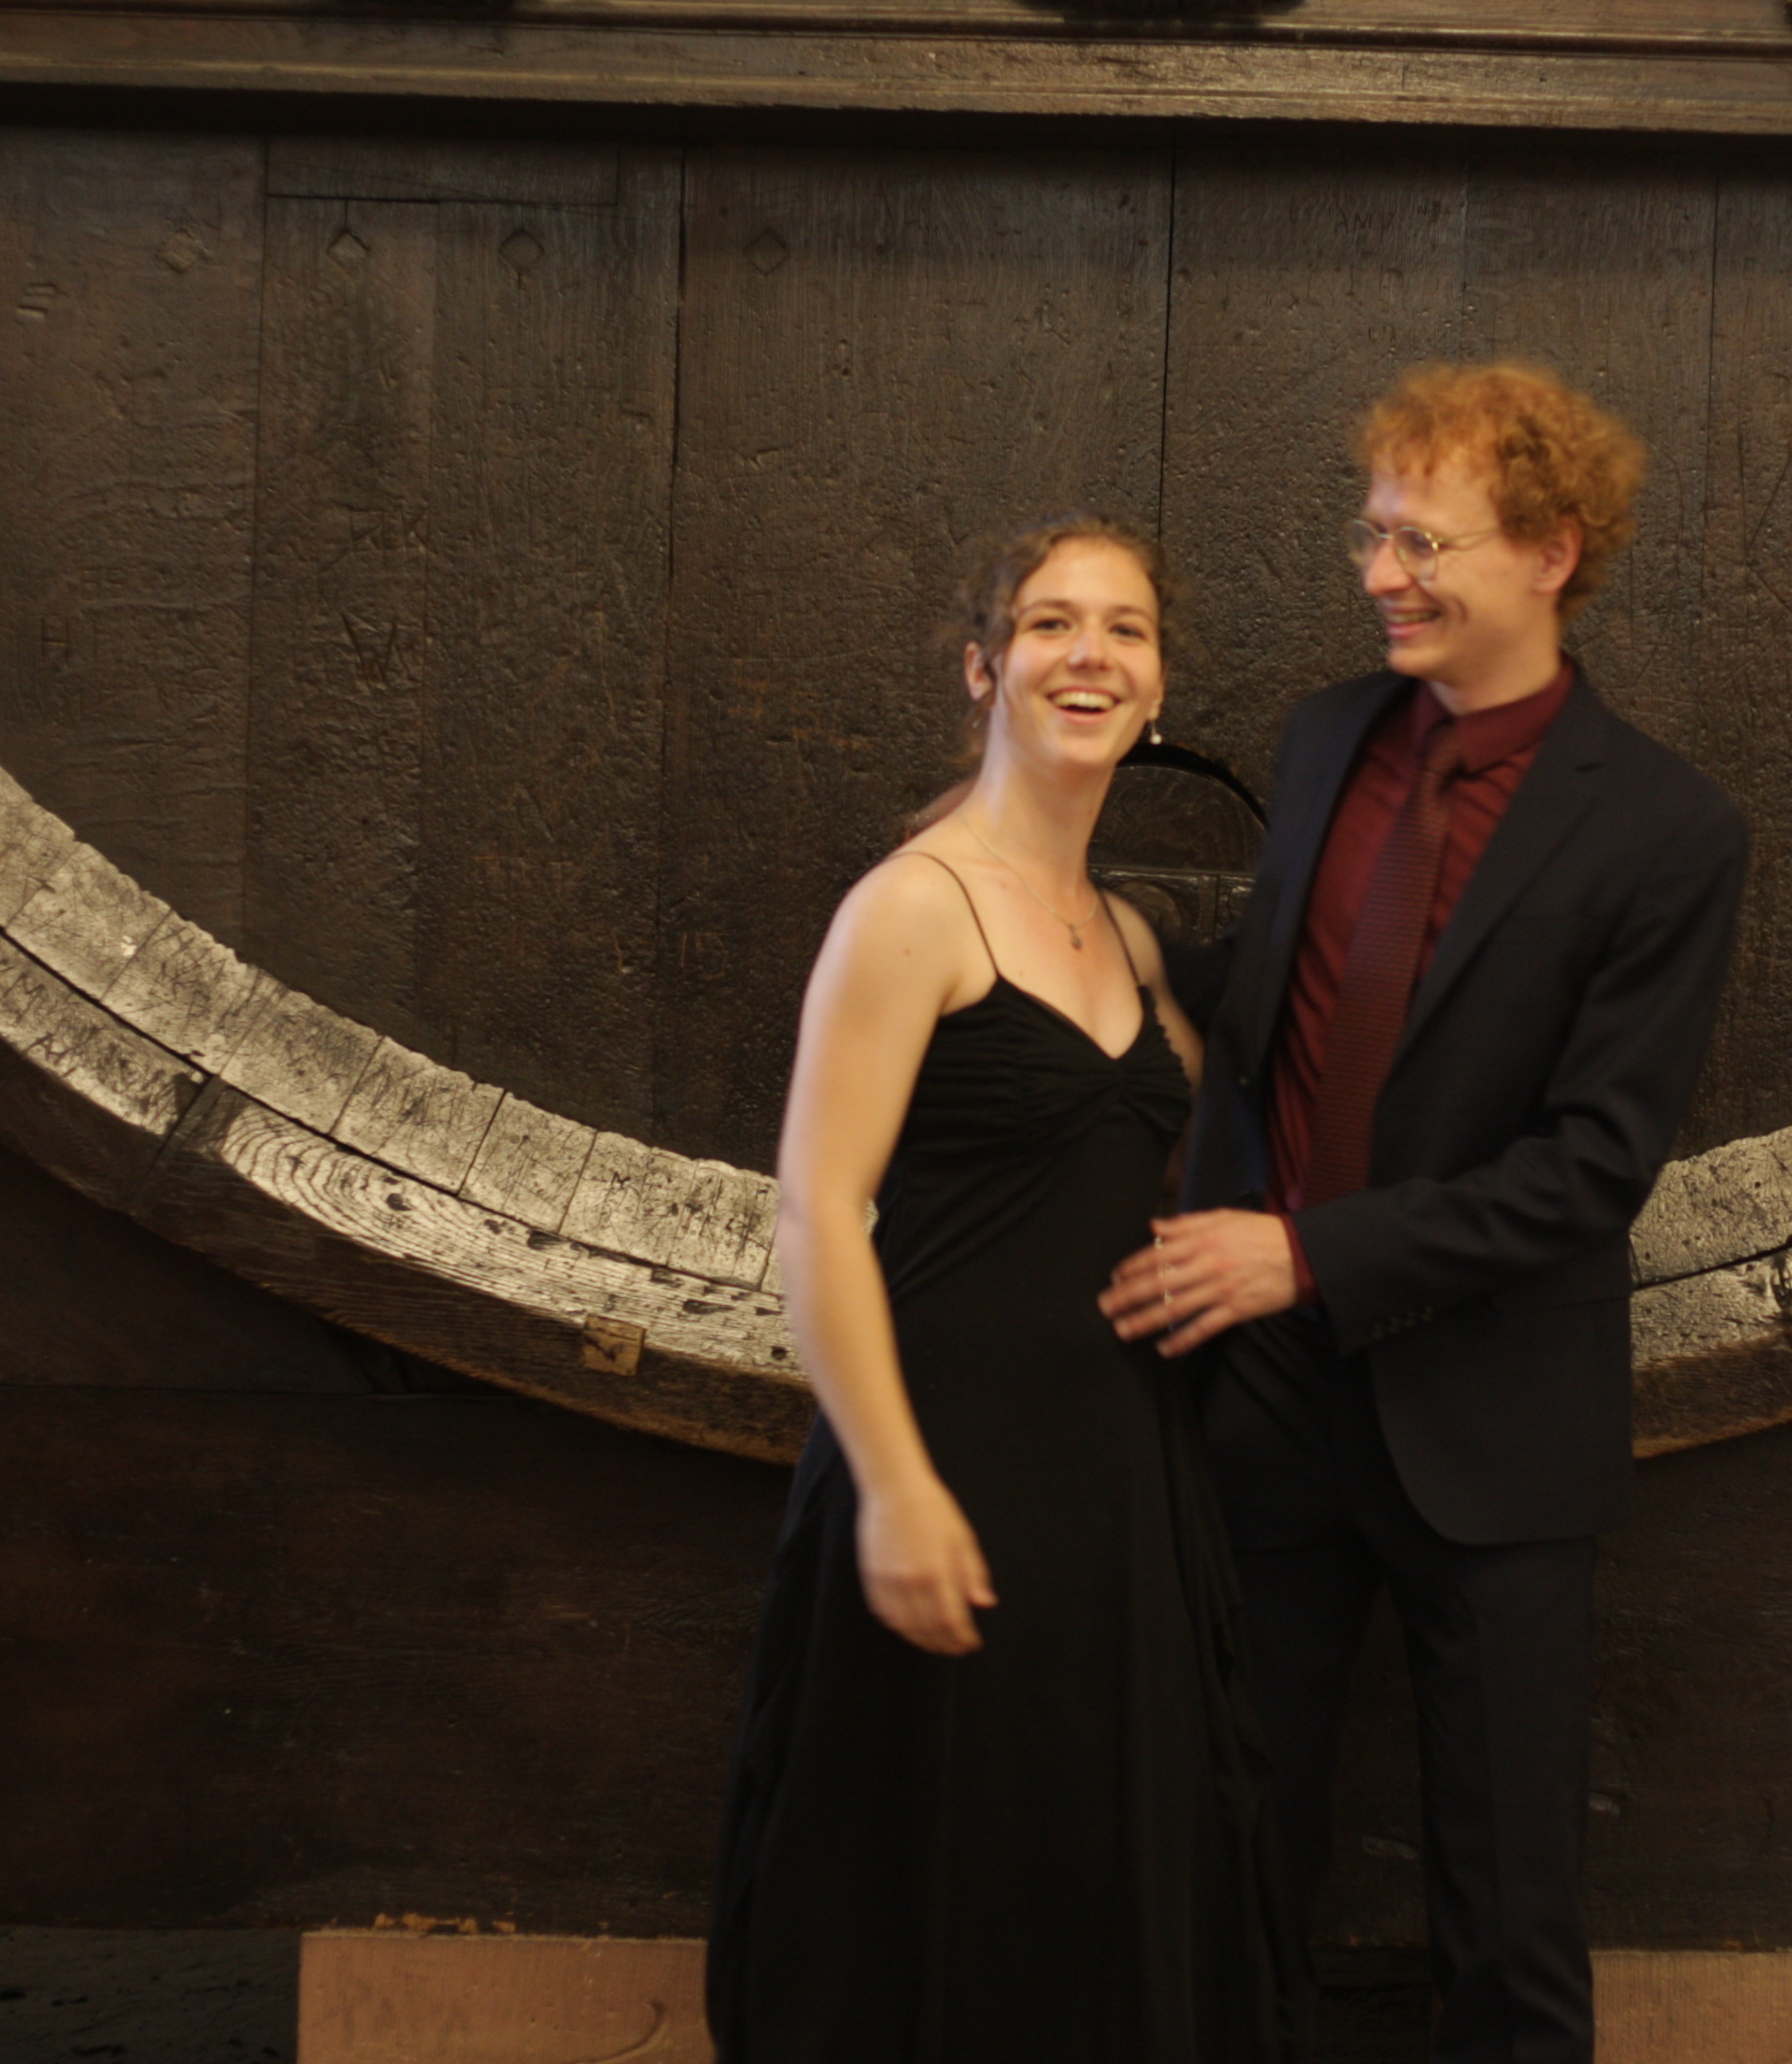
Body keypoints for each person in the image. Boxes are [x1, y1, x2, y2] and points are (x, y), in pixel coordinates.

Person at [1098, 363, 1749, 2064]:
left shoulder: (1670, 831)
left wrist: (1305, 1253)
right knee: (1233, 1859)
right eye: (1373, 530)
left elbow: (1594, 1167)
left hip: (1492, 1426)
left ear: (1552, 551)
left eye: (1423, 541)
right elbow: (1281, 1001)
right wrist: (1074, 939)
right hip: (1263, 1400)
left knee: (1510, 1915)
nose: (1380, 572)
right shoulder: (1327, 736)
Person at [707, 515, 1290, 2064]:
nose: (1091, 654)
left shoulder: (1134, 940)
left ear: (1155, 690)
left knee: (1094, 1881)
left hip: (1125, 1485)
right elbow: (816, 1212)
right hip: (948, 1462)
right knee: (939, 1888)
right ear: (984, 669)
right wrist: (896, 1489)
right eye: (1050, 624)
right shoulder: (914, 908)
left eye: (1125, 630)